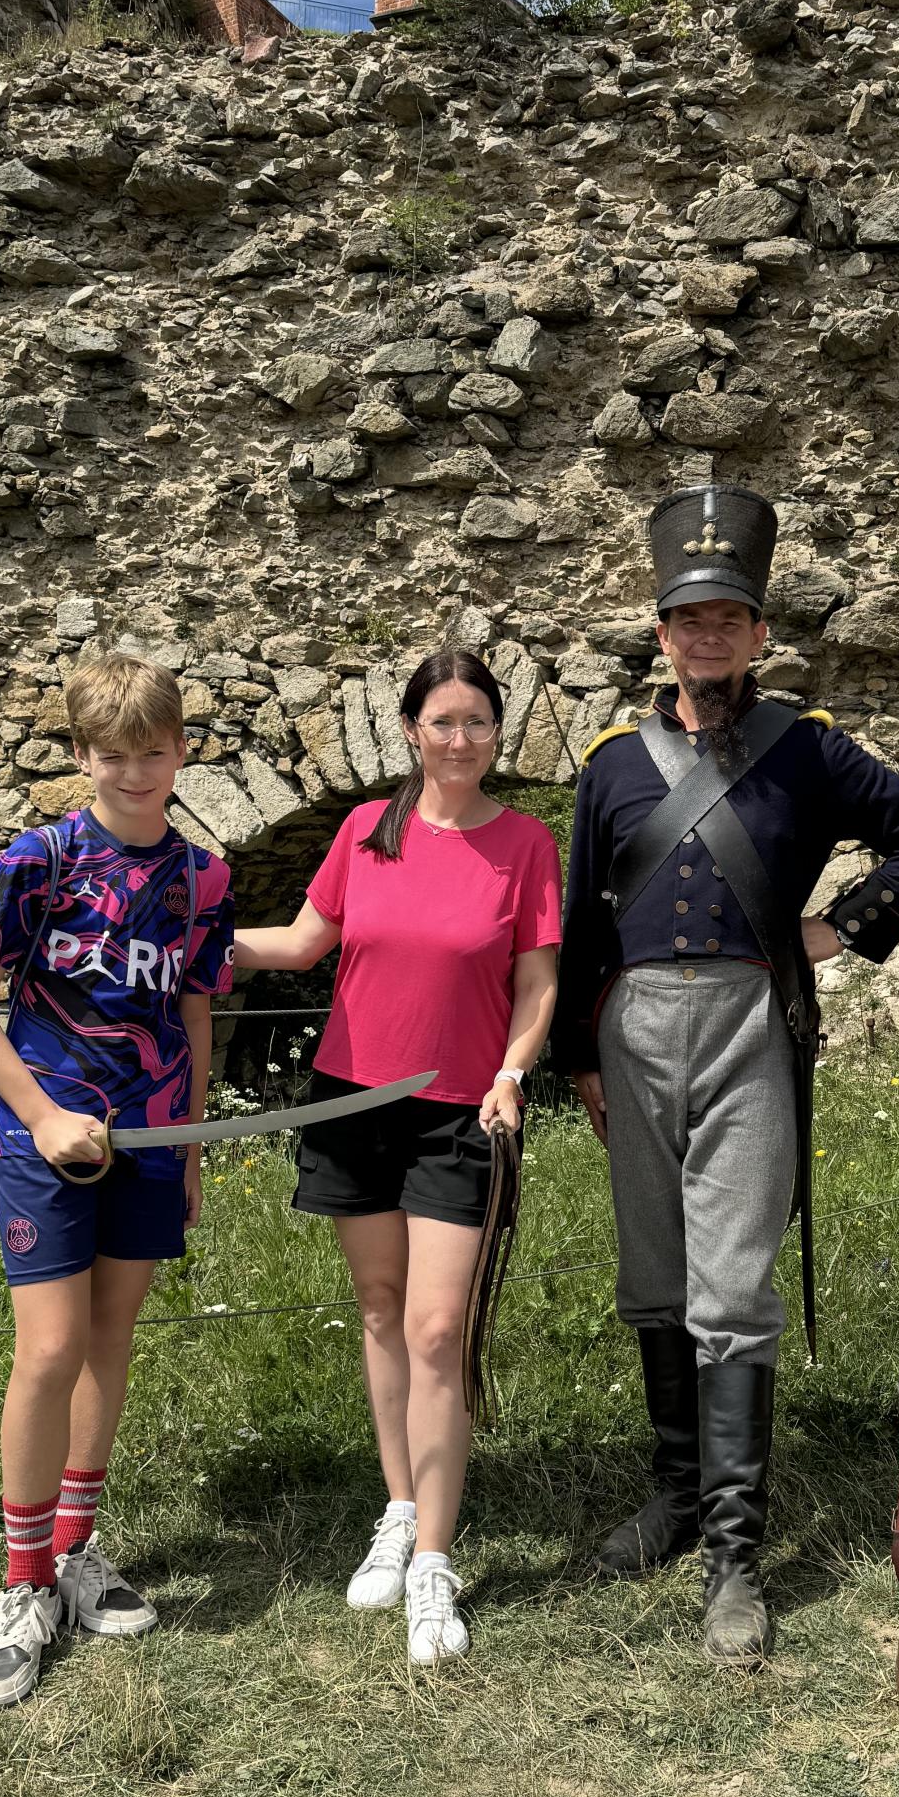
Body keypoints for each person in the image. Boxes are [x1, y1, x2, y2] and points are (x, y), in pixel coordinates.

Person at [558, 483, 899, 1666]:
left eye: (730, 616)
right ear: (663, 631)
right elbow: (584, 915)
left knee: (731, 1285)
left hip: (748, 1026)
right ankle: (677, 1500)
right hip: (630, 1034)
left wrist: (837, 929)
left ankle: (735, 1557)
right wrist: (579, 1051)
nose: (709, 636)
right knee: (656, 1272)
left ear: (759, 632)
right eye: (690, 618)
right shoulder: (614, 765)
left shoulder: (810, 749)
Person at [234, 649, 560, 1667]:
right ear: (411, 730)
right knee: (380, 1309)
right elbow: (297, 943)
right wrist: (175, 935)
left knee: (435, 1330)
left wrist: (514, 1070)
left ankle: (432, 1560)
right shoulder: (362, 832)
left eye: (478, 721)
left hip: (464, 1113)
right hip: (352, 1101)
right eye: (442, 721)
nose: (460, 738)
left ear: (494, 735)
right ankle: (399, 1501)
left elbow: (539, 982)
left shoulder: (525, 846)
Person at [0, 654, 235, 1709]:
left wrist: (193, 1149)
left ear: (181, 750)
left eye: (153, 752)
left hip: (154, 1137)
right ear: (82, 758)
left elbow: (197, 1011)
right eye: (113, 756)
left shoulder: (204, 877)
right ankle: (20, 1584)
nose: (135, 773)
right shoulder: (42, 859)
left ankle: (74, 1554)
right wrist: (41, 1112)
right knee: (51, 1348)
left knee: (109, 1343)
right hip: (44, 1141)